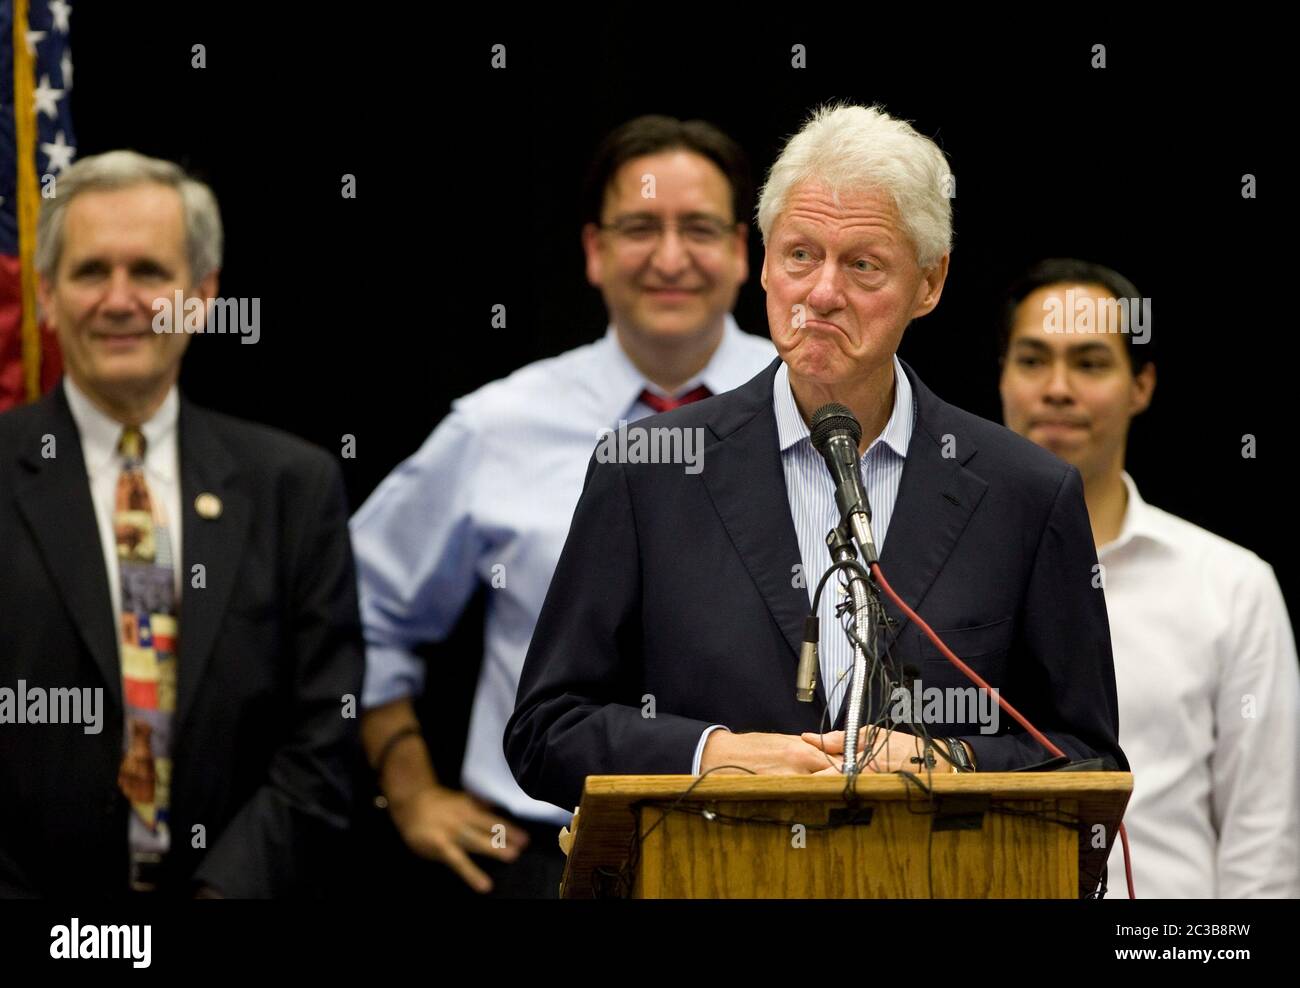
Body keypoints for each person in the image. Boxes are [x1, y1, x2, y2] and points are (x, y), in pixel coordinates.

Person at [506, 104, 1128, 818]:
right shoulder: (646, 472)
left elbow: (1088, 756)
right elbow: (545, 731)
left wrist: (951, 760)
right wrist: (713, 754)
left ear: (929, 284)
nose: (822, 294)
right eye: (801, 254)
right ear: (765, 262)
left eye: (863, 265)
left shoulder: (1026, 492)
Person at [351, 115, 775, 897]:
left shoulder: (816, 410)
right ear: (594, 250)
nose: (670, 257)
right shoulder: (497, 425)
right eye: (640, 226)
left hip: (767, 852)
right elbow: (355, 604)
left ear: (744, 252)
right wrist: (408, 788)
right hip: (540, 858)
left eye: (701, 228)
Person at [0, 151, 364, 897]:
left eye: (150, 273)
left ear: (201, 296)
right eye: (92, 271)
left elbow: (323, 741)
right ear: (45, 295)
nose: (121, 299)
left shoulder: (292, 486)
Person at [999, 258, 1300, 898]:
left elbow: (1264, 834)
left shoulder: (1230, 585)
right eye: (1032, 360)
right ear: (1002, 377)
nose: (1057, 388)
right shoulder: (924, 575)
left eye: (1089, 362)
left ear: (1141, 386)